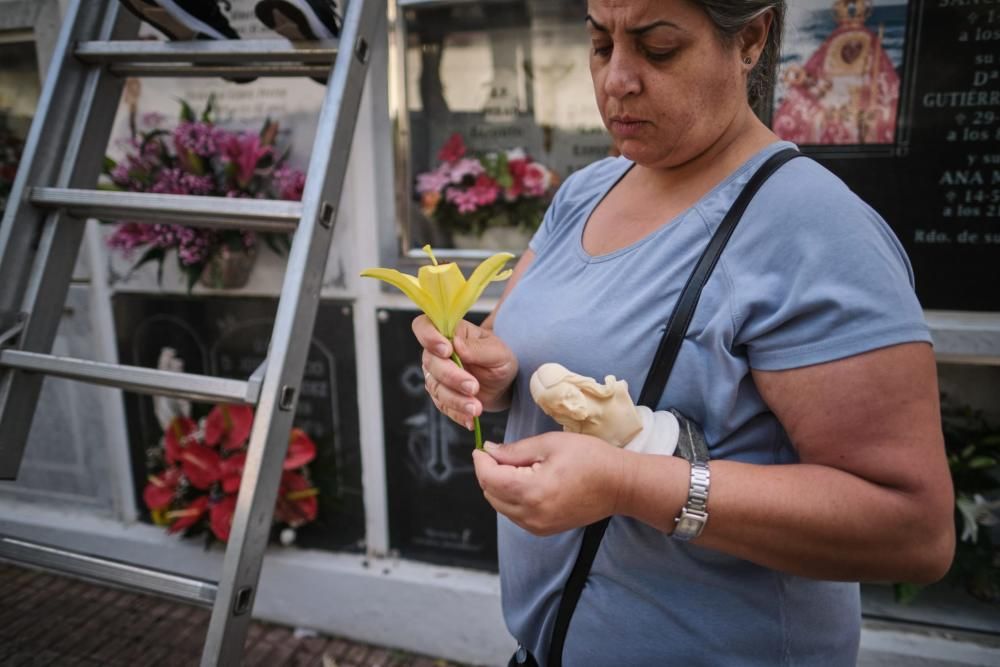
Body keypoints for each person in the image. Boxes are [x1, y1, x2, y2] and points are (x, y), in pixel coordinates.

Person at [413, 1, 955, 665]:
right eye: (600, 43)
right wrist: (491, 376)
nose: (617, 79)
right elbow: (512, 342)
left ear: (751, 38)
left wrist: (627, 485)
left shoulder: (814, 227)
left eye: (658, 47)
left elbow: (912, 531)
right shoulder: (587, 190)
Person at [529, 362, 680, 455]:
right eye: (559, 408)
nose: (570, 408)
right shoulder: (578, 439)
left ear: (580, 386)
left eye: (569, 396)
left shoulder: (618, 394)